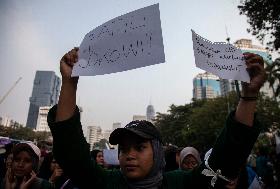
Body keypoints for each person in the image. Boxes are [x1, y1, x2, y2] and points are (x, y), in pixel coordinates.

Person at [47, 47, 265, 188]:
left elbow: (226, 161)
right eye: (123, 148)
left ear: (158, 152)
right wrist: (69, 82)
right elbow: (71, 155)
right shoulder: (107, 182)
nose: (129, 155)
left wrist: (249, 96)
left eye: (140, 147)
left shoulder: (182, 184)